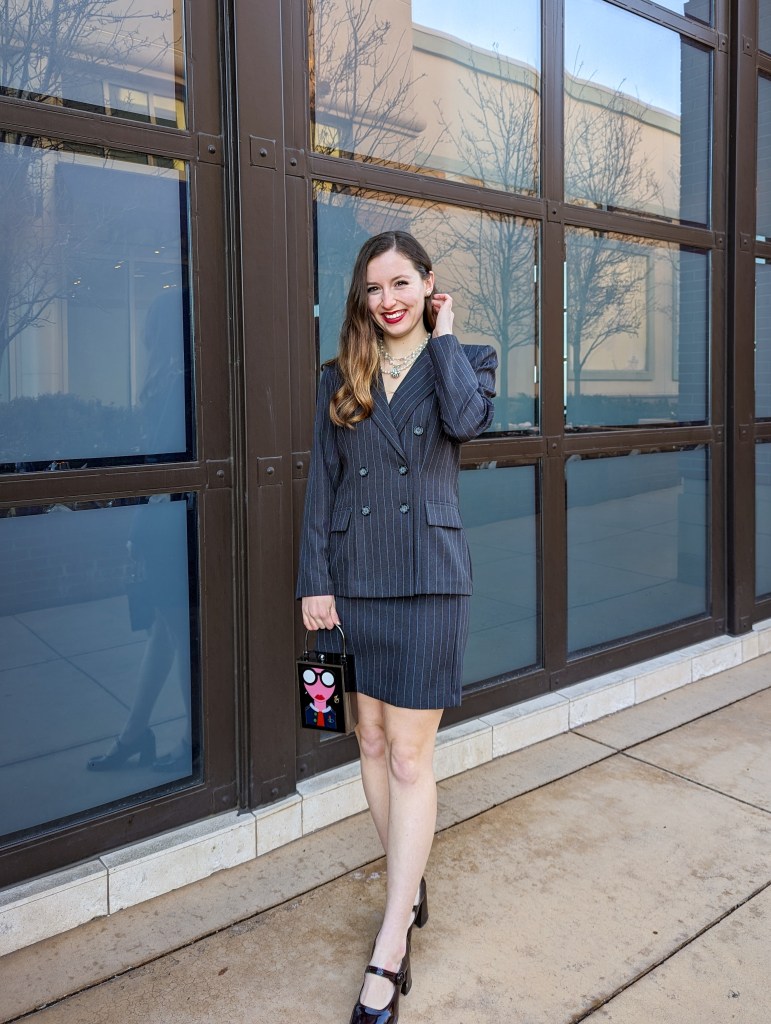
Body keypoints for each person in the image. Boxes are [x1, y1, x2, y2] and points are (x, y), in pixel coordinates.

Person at [296, 230, 497, 1023]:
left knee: (411, 759)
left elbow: (466, 425)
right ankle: (408, 887)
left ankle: (391, 940)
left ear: (428, 286)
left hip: (427, 583)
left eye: (403, 283)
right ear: (361, 297)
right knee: (370, 745)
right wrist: (315, 581)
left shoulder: (467, 359)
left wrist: (444, 338)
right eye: (376, 287)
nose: (389, 299)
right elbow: (323, 483)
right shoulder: (337, 375)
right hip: (354, 582)